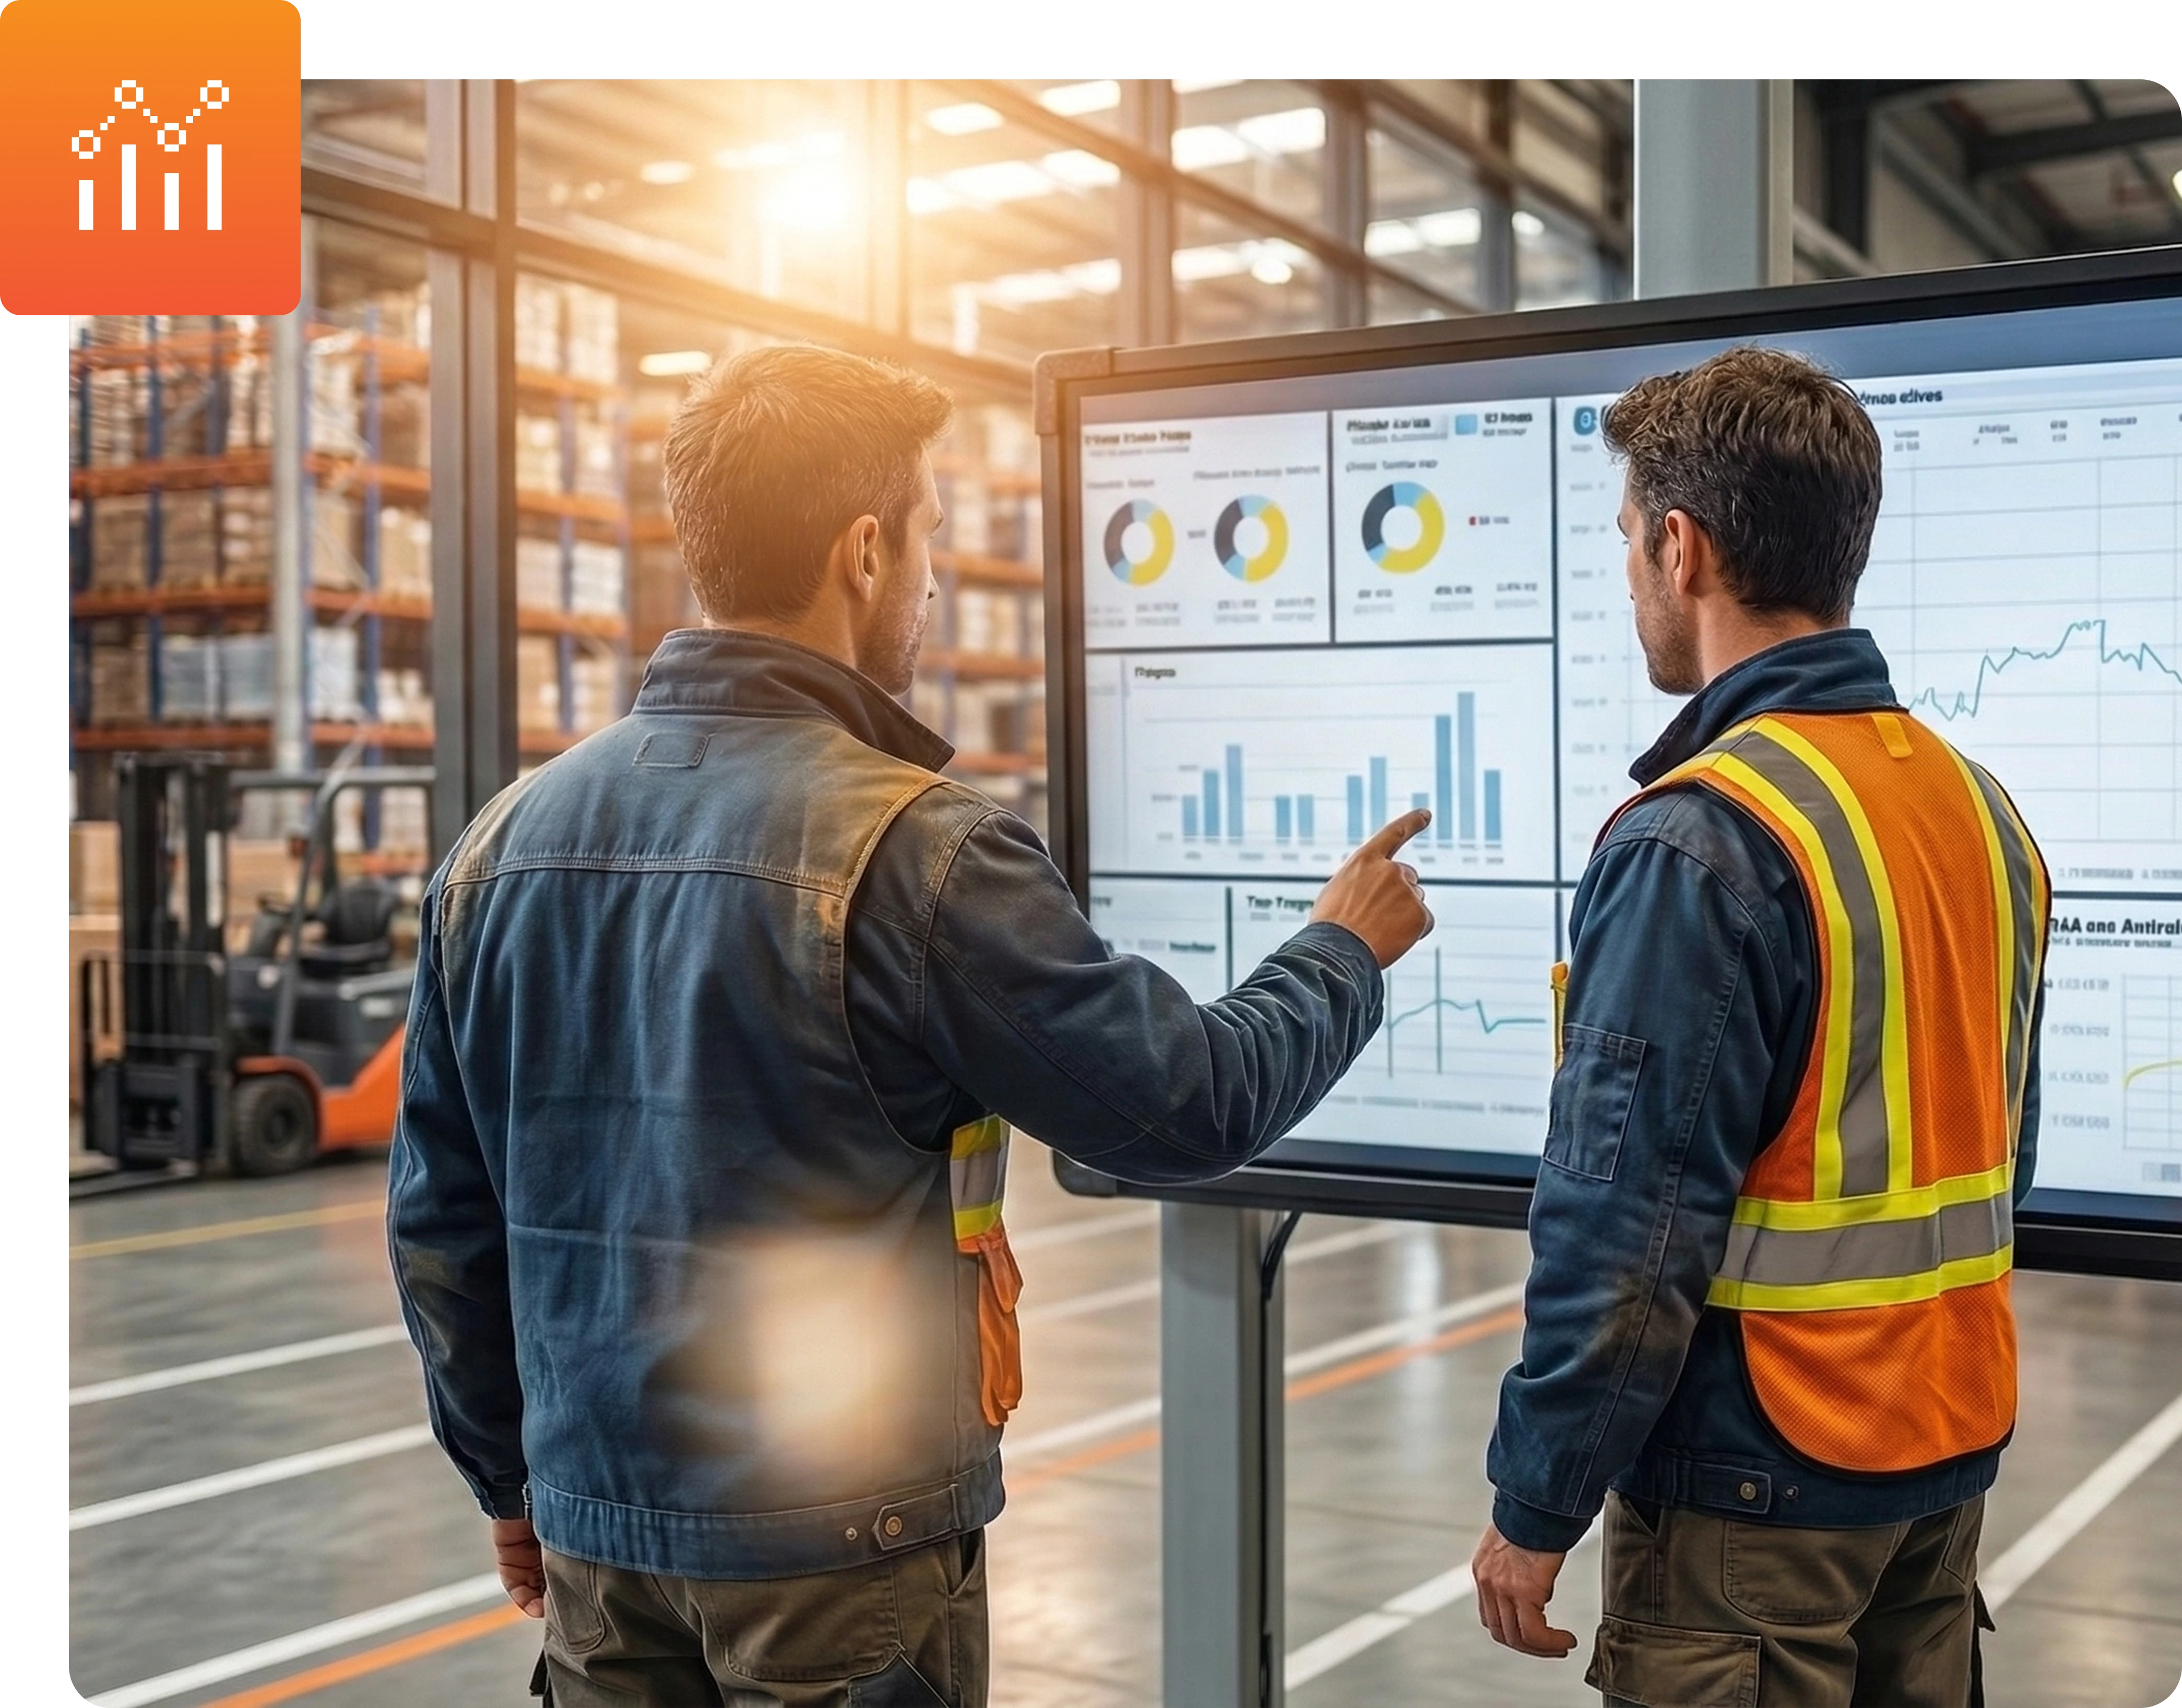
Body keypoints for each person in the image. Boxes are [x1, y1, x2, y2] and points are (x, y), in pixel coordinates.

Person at [389, 343, 1434, 1707]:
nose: (935, 581)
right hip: (842, 1562)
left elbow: (440, 1225)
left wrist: (510, 1479)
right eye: (932, 538)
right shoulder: (919, 850)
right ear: (865, 552)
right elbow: (1185, 1105)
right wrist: (1339, 953)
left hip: (599, 1545)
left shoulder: (499, 846)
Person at [1469, 347, 2047, 1708]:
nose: (1626, 577)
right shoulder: (1976, 807)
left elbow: (1626, 1227)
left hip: (1756, 1482)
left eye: (1625, 538)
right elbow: (1994, 1147)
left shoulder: (1700, 840)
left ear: (1682, 548)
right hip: (1938, 1457)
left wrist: (1533, 1500)